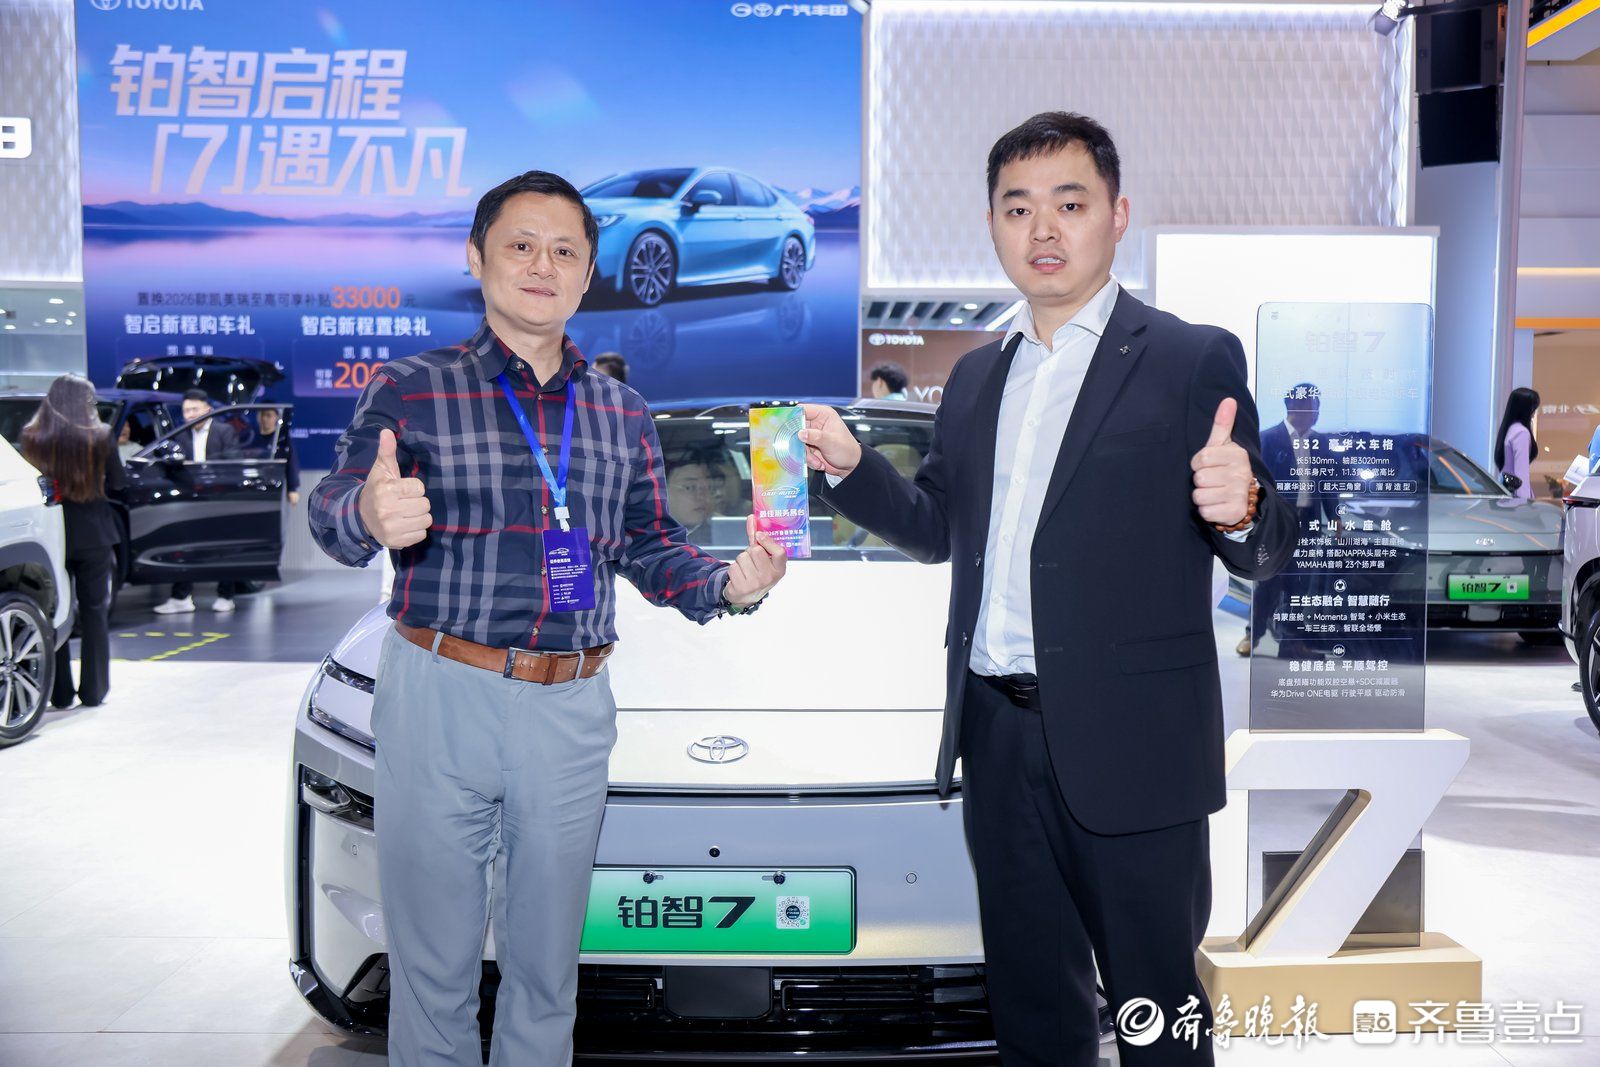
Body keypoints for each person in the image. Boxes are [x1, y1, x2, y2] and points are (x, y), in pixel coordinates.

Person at [798, 112, 1294, 1066]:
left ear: (1118, 215)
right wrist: (855, 468)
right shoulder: (977, 377)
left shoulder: (1189, 357)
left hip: (1134, 745)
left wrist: (1243, 506)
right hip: (997, 733)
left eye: (1071, 203)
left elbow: (1266, 547)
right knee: (1031, 1009)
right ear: (992, 223)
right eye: (1018, 208)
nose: (1044, 230)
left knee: (1158, 1008)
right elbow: (939, 527)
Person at [308, 169, 787, 1067]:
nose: (542, 265)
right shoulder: (413, 389)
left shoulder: (620, 411)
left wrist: (728, 583)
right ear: (477, 256)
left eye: (565, 250)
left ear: (588, 273)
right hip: (440, 693)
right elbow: (332, 506)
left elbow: (649, 544)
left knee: (546, 968)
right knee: (433, 965)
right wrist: (366, 513)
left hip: (570, 706)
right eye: (521, 245)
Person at [20, 374, 126, 709]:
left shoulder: (32, 435)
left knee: (54, 610)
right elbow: (119, 483)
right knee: (94, 612)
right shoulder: (101, 435)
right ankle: (94, 691)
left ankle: (59, 693)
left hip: (51, 532)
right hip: (94, 533)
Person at [1238, 383, 1325, 656]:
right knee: (1268, 581)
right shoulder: (1267, 439)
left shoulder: (1319, 443)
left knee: (1299, 583)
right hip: (1274, 524)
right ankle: (1253, 634)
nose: (1316, 412)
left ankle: (1292, 642)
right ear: (1295, 407)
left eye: (1317, 407)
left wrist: (1335, 516)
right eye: (1312, 406)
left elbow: (1328, 484)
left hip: (1307, 522)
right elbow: (1254, 483)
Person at [153, 389, 245, 615]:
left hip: (220, 498)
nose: (191, 415)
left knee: (223, 548)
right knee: (184, 548)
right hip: (191, 500)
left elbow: (234, 458)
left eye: (195, 409)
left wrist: (202, 465)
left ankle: (226, 596)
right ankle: (181, 597)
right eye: (186, 411)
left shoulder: (224, 430)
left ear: (208, 409)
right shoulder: (180, 435)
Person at [1494, 387, 1540, 502]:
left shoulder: (1509, 429)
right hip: (1516, 501)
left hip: (1505, 496)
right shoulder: (1521, 433)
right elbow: (1521, 474)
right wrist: (1525, 504)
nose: (1534, 413)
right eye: (1533, 408)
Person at [665, 451, 722, 543]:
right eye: (690, 487)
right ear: (662, 492)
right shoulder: (647, 543)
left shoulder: (722, 536)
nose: (702, 496)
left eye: (709, 487)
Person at [255, 406, 301, 506]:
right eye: (262, 415)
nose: (264, 419)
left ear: (276, 417)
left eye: (268, 415)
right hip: (252, 487)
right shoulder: (253, 438)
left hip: (274, 487)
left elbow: (292, 464)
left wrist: (292, 489)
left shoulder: (282, 441)